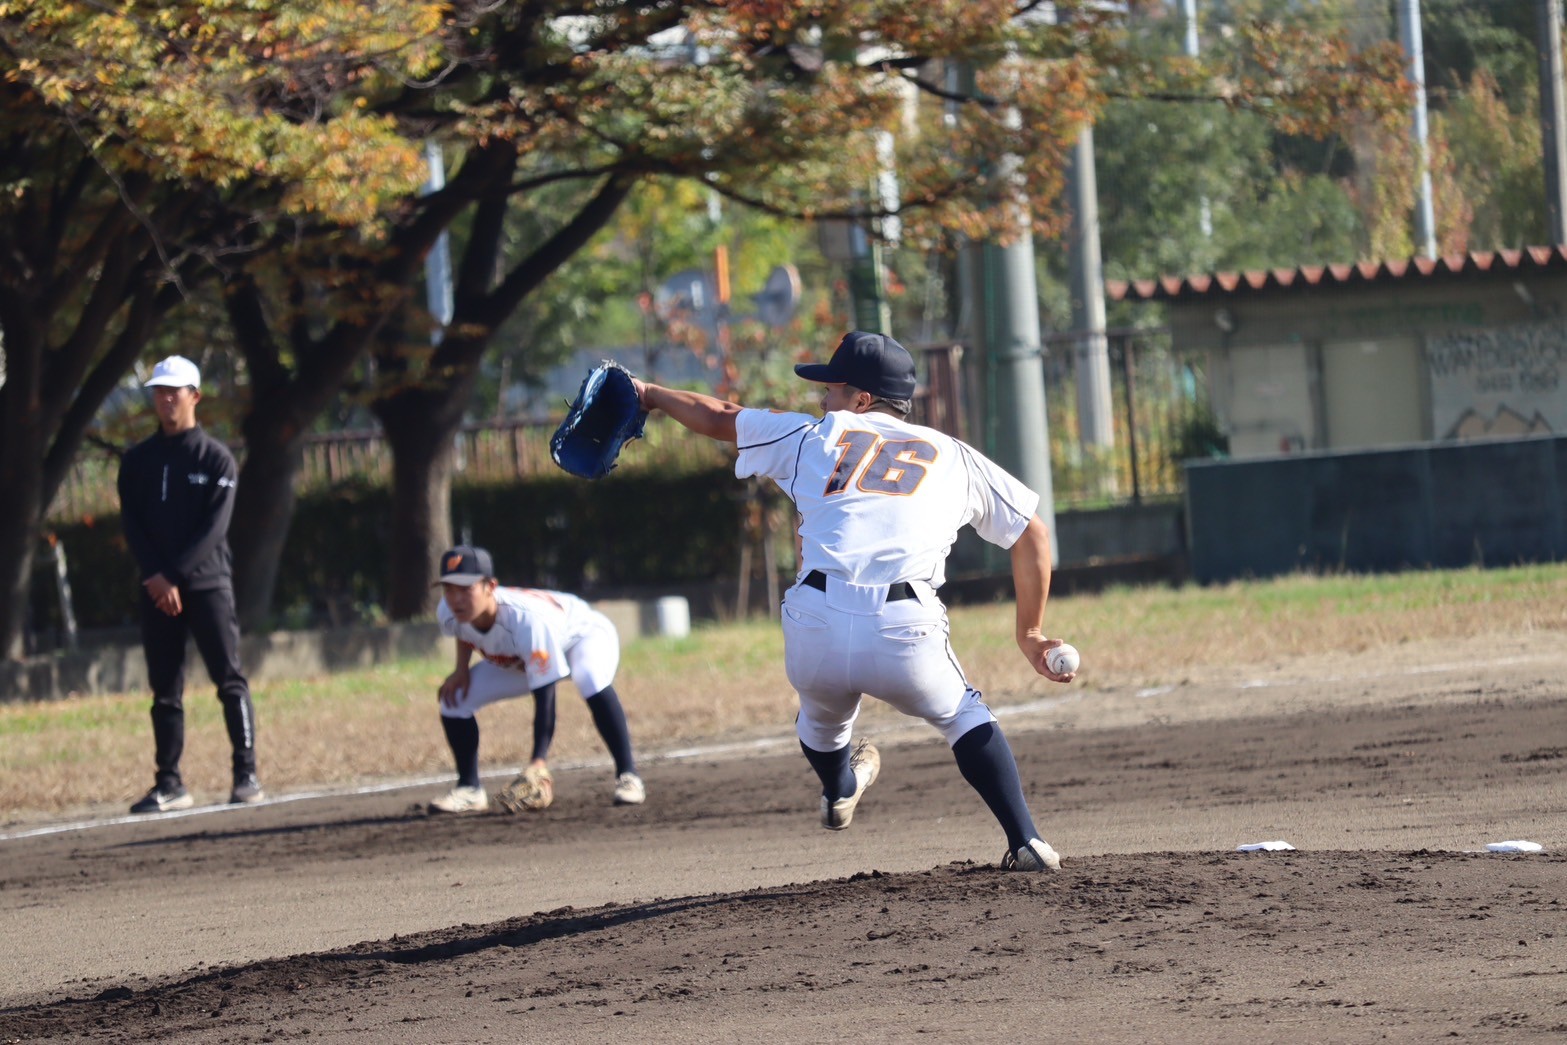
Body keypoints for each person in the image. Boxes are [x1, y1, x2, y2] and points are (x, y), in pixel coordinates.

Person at [633, 330, 1076, 871]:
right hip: (904, 631)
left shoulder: (813, 434)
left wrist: (650, 393)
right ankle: (1025, 839)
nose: (823, 398)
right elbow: (1032, 532)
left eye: (833, 387)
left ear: (862, 401)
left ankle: (840, 784)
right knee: (964, 716)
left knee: (820, 725)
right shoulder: (954, 455)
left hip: (814, 623)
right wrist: (1029, 633)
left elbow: (721, 415)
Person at [117, 355, 263, 813]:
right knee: (164, 687)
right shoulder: (138, 461)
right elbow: (133, 524)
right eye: (159, 391)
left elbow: (214, 528)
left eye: (174, 391)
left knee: (229, 679)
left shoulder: (215, 457)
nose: (165, 399)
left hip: (207, 585)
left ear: (194, 396)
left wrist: (176, 574)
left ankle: (246, 774)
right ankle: (169, 782)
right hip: (157, 589)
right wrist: (155, 577)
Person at [430, 544, 647, 813]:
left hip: (581, 637)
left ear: (490, 586)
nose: (456, 598)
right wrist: (460, 669)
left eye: (466, 588)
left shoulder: (526, 621)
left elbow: (545, 696)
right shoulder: (448, 610)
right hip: (521, 658)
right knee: (454, 700)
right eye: (449, 588)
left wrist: (538, 760)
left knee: (588, 676)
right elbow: (464, 631)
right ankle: (469, 789)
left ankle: (629, 776)